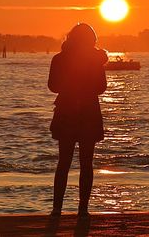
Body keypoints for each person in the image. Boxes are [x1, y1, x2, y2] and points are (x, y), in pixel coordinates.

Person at [48, 23, 107, 217]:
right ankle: (83, 209)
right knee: (86, 162)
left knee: (63, 162)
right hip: (89, 113)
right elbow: (101, 87)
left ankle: (57, 209)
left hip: (66, 112)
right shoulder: (95, 60)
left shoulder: (59, 59)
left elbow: (53, 86)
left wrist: (70, 86)